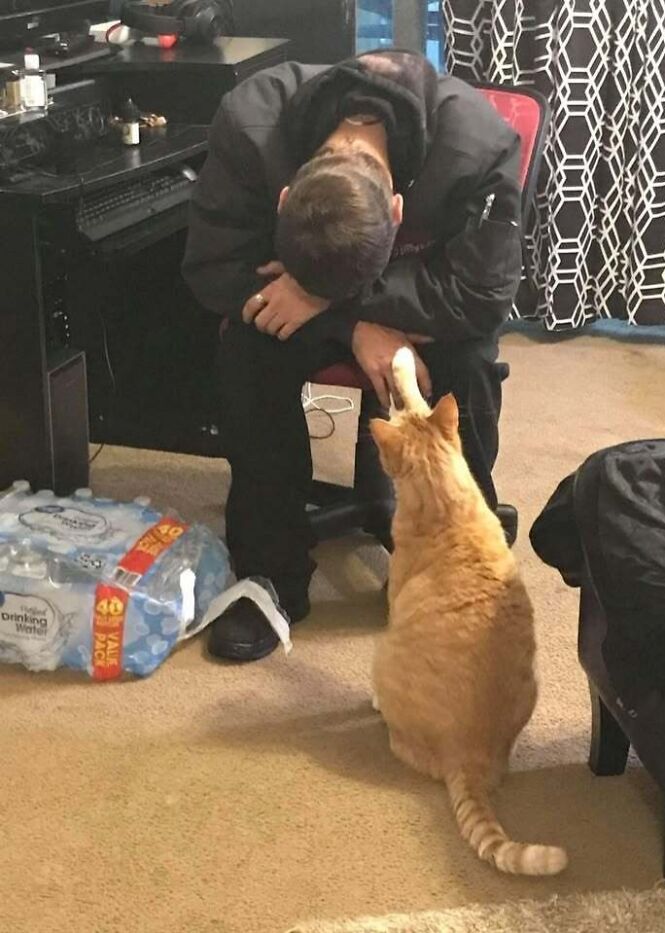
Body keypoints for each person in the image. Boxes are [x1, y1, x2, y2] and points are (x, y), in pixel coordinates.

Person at [182, 49, 523, 662]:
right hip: (301, 290)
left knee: (467, 367)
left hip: (426, 301)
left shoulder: (478, 145)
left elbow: (485, 294)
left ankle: (450, 556)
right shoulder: (250, 121)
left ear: (399, 211)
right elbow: (213, 270)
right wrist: (350, 322)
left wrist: (363, 313)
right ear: (284, 197)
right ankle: (269, 574)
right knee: (249, 353)